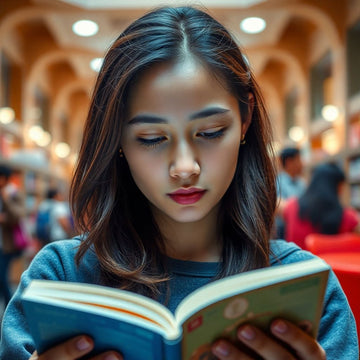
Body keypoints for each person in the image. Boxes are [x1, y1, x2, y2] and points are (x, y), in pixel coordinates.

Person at [0, 6, 358, 360]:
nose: (185, 168)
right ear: (117, 142)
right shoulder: (59, 279)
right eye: (152, 138)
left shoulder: (306, 291)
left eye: (210, 132)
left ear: (245, 119)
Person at [283, 162, 359, 249]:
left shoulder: (291, 207)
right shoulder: (348, 217)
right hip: (330, 262)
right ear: (338, 187)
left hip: (296, 262)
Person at [0, 165, 25, 308]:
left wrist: (6, 200)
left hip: (7, 245)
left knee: (2, 278)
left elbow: (18, 216)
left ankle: (11, 309)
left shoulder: (13, 193)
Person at [274, 146, 306, 238]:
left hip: (301, 226)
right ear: (289, 162)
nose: (302, 164)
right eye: (299, 160)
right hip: (283, 230)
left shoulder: (302, 182)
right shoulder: (277, 183)